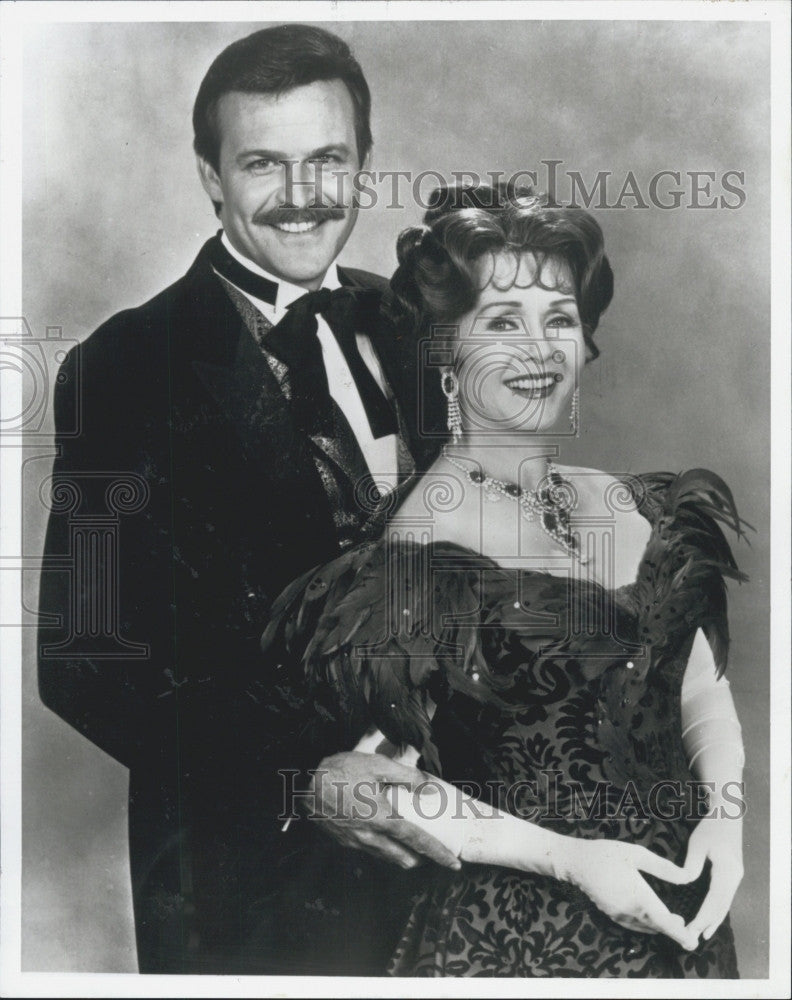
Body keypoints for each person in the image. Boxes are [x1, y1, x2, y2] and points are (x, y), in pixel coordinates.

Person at [36, 24, 454, 975]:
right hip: (250, 894)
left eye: (328, 159)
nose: (302, 196)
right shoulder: (123, 366)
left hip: (449, 867)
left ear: (364, 166)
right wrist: (305, 781)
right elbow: (86, 659)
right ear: (210, 175)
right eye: (264, 162)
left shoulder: (410, 321)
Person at [262, 182, 748, 977]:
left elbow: (695, 683)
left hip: (684, 928)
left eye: (559, 319)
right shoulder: (417, 546)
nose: (539, 348)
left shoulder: (625, 500)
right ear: (447, 355)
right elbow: (373, 786)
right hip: (513, 941)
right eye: (502, 322)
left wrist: (723, 824)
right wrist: (571, 860)